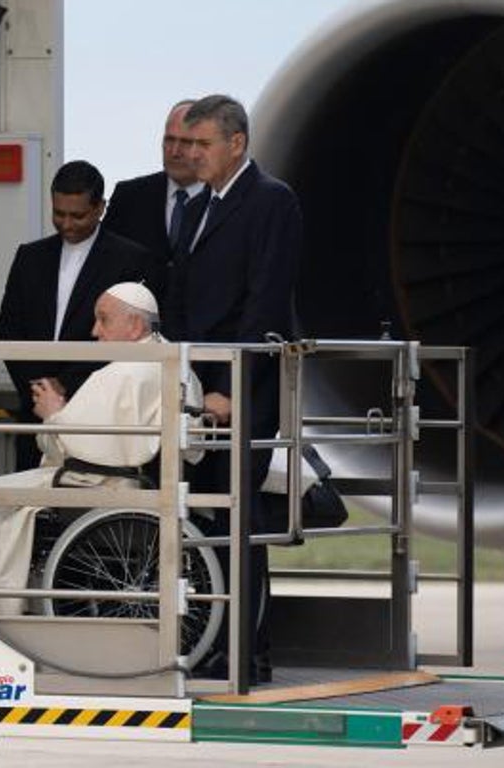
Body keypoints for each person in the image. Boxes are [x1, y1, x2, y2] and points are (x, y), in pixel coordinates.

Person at [0, 283, 202, 616]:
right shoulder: (172, 361)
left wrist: (52, 412)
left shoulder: (124, 372)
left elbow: (72, 446)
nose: (95, 331)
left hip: (97, 485)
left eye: (103, 320)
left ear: (135, 325)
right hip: (133, 482)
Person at [175, 94, 303, 682]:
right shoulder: (202, 205)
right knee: (206, 519)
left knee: (237, 520)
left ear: (237, 144)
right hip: (201, 388)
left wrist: (230, 385)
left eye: (202, 144)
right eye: (188, 143)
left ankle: (246, 652)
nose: (192, 154)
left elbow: (265, 302)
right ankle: (216, 643)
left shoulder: (270, 201)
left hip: (240, 393)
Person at [0, 160, 150, 471]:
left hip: (97, 412)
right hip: (34, 409)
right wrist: (39, 385)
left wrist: (66, 384)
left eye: (77, 215)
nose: (66, 223)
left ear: (100, 208)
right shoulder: (30, 256)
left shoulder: (130, 260)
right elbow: (9, 325)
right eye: (58, 214)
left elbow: (128, 338)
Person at [103, 100, 211, 309]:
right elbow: (106, 266)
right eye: (169, 140)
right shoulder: (129, 197)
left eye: (186, 142)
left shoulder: (223, 201)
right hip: (136, 330)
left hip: (203, 334)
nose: (175, 151)